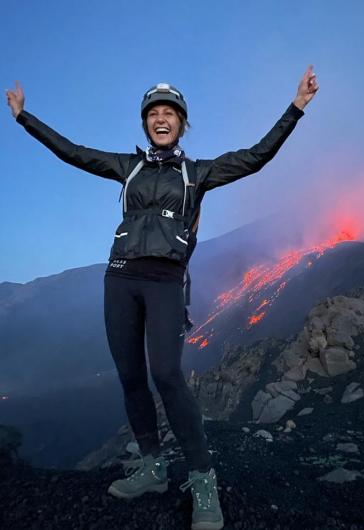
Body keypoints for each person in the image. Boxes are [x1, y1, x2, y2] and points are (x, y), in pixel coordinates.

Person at [6, 67, 318, 530]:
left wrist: (295, 108)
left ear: (182, 123)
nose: (161, 117)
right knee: (131, 377)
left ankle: (203, 478)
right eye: (153, 112)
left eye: (169, 111)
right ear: (145, 123)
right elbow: (73, 153)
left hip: (165, 282)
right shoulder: (125, 166)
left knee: (168, 376)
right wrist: (24, 118)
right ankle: (152, 466)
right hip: (120, 280)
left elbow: (255, 157)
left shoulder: (199, 173)